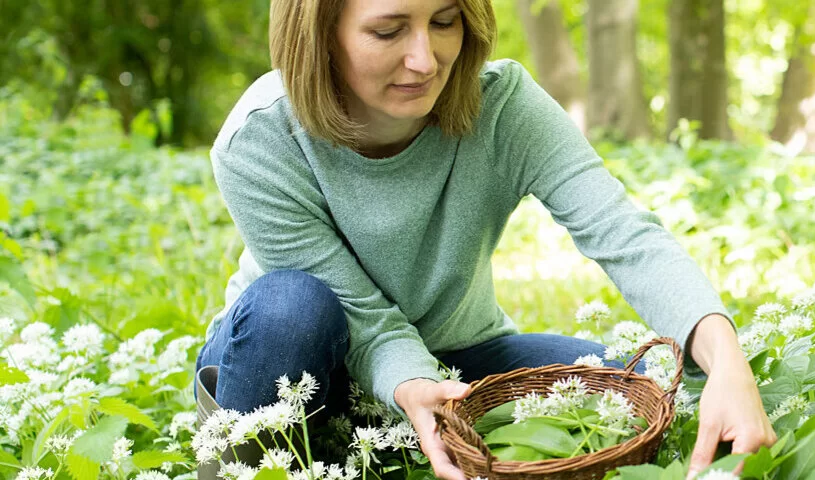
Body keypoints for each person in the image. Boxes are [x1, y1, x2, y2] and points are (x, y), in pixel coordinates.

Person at [192, 0, 775, 477]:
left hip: (454, 358)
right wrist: (410, 384)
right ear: (319, 33)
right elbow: (359, 314)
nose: (425, 60)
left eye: (443, 22)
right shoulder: (260, 139)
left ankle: (390, 443)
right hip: (300, 353)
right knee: (293, 306)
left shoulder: (503, 107)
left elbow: (623, 233)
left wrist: (725, 357)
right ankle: (246, 461)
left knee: (627, 388)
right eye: (389, 30)